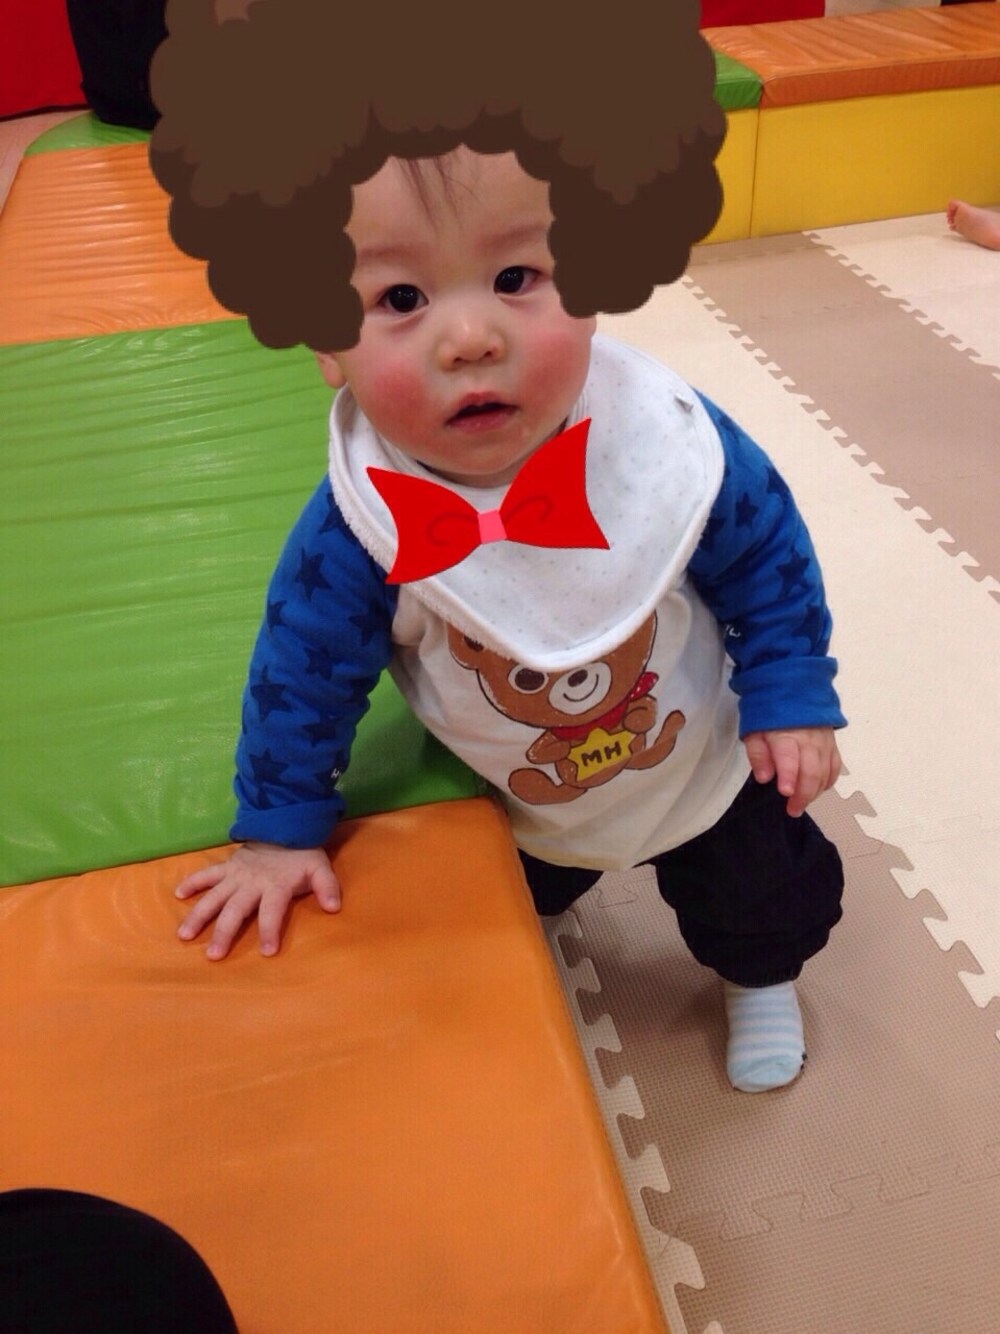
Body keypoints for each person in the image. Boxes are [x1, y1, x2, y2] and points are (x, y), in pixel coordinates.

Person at [150, 0, 845, 1095]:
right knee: (495, 901)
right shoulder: (359, 528)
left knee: (760, 894)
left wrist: (790, 688)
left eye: (517, 279)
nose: (471, 336)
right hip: (516, 791)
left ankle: (758, 976)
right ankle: (536, 936)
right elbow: (300, 674)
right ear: (323, 336)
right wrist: (280, 827)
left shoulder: (657, 440)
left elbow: (765, 551)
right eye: (400, 297)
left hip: (703, 755)